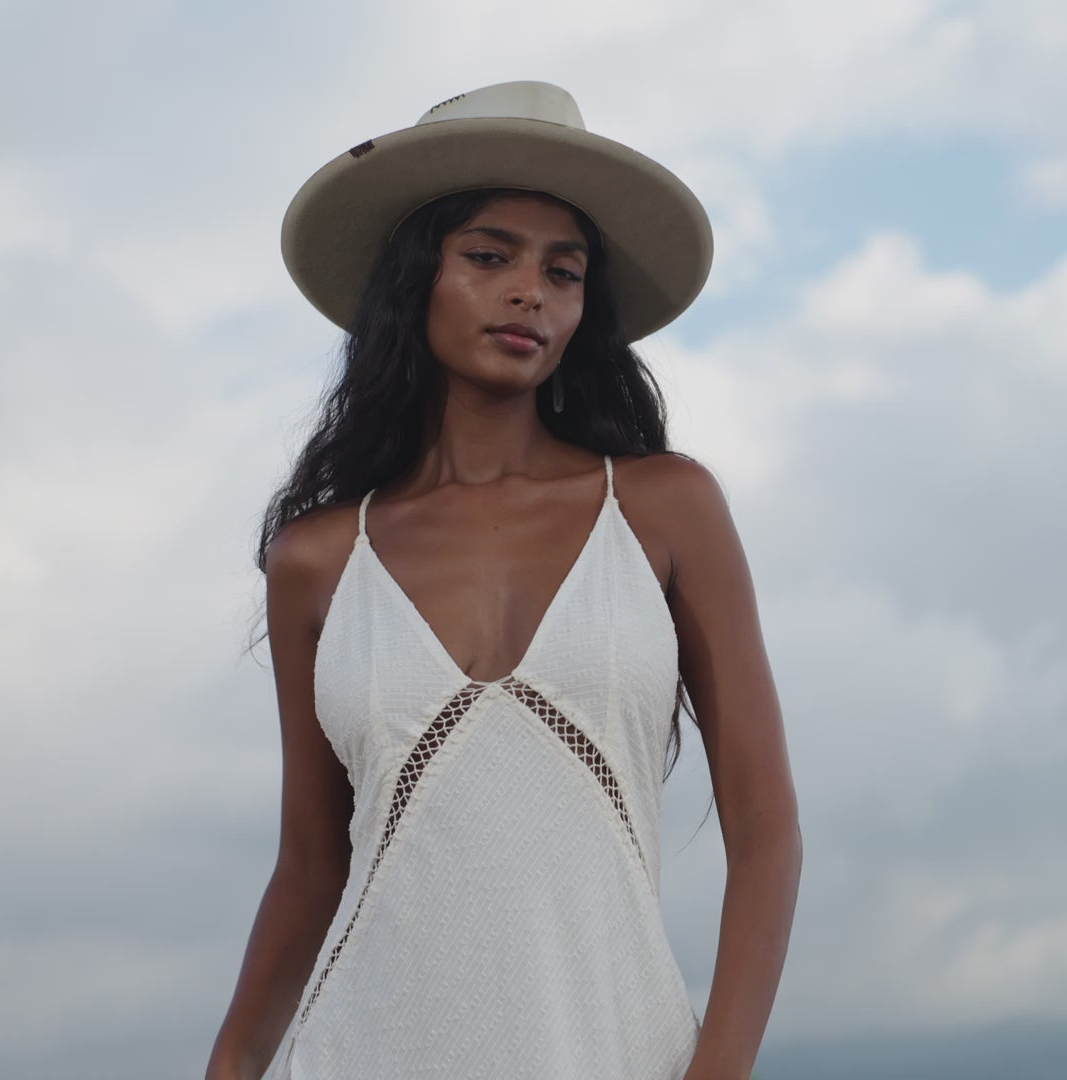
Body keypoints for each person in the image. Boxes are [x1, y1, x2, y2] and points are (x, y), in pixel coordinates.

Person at [206, 81, 801, 1080]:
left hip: (616, 1046)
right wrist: (228, 1067)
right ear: (414, 281)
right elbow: (312, 867)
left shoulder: (663, 508)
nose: (532, 291)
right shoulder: (317, 559)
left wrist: (721, 1069)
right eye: (490, 257)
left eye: (563, 273)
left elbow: (766, 826)